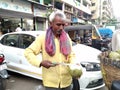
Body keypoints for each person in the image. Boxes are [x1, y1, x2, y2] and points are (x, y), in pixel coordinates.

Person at [24, 10, 77, 90]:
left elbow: (71, 54)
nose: (61, 28)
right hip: (51, 84)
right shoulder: (43, 37)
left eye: (63, 25)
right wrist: (40, 63)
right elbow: (28, 52)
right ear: (51, 23)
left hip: (66, 82)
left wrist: (73, 65)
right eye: (58, 25)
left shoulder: (66, 37)